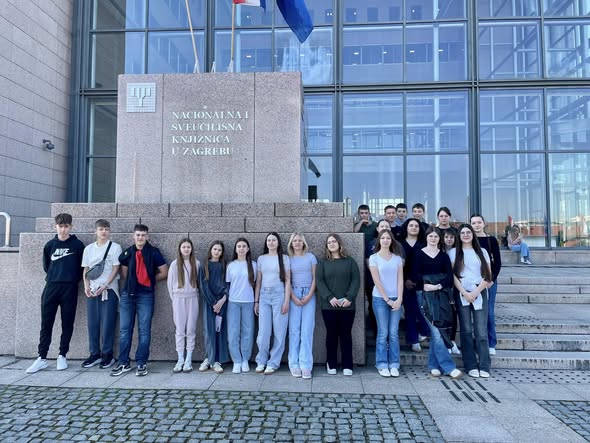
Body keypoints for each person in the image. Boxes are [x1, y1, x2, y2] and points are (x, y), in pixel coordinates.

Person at [26, 213, 85, 374]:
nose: (63, 229)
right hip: (51, 287)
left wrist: (71, 280)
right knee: (46, 324)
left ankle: (62, 355)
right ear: (55, 227)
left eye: (66, 226)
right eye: (60, 226)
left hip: (69, 288)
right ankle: (42, 358)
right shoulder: (50, 245)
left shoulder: (78, 245)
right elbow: (47, 266)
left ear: (71, 227)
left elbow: (82, 268)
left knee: (67, 323)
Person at [111, 224, 168, 377]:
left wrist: (148, 280)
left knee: (144, 330)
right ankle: (123, 362)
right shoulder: (127, 253)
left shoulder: (154, 252)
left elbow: (164, 272)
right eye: (138, 235)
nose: (140, 238)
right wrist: (134, 281)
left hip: (145, 295)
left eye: (143, 235)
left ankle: (141, 363)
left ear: (147, 236)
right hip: (127, 295)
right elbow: (124, 274)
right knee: (124, 330)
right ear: (133, 236)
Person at [412, 226, 462, 379]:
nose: (433, 239)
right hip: (424, 295)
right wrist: (424, 284)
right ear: (426, 237)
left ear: (439, 239)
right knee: (436, 330)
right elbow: (414, 274)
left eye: (436, 236)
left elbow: (449, 277)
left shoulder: (443, 256)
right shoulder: (419, 254)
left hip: (440, 296)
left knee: (437, 331)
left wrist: (438, 285)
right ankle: (449, 367)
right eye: (430, 236)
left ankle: (433, 365)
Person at [449, 224, 492, 378]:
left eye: (468, 232)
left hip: (479, 290)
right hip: (462, 292)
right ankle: (470, 365)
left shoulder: (482, 252)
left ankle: (484, 365)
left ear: (473, 234)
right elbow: (452, 275)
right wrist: (464, 292)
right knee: (466, 330)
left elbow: (488, 275)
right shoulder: (453, 252)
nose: (466, 235)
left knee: (481, 331)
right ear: (459, 236)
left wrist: (475, 292)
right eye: (463, 233)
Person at [316, 234, 360, 376]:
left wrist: (349, 297)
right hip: (329, 305)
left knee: (346, 334)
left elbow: (356, 280)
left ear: (339, 244)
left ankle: (348, 365)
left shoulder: (350, 261)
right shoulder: (323, 263)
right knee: (332, 334)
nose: (332, 244)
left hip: (347, 305)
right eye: (329, 242)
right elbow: (319, 282)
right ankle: (331, 363)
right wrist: (329, 297)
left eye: (334, 241)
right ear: (326, 246)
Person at [80, 219, 122, 370]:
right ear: (95, 231)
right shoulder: (89, 249)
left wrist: (106, 285)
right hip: (92, 289)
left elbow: (116, 268)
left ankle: (107, 354)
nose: (104, 232)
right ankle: (94, 354)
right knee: (93, 323)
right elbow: (86, 269)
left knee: (108, 323)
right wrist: (86, 286)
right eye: (101, 229)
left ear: (109, 231)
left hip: (109, 290)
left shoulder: (115, 247)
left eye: (106, 229)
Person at [369, 229, 404, 377]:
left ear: (391, 241)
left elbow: (400, 280)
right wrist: (387, 299)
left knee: (394, 333)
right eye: (383, 238)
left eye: (388, 238)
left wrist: (400, 298)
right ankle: (382, 363)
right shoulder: (374, 258)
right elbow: (376, 281)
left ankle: (394, 364)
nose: (385, 240)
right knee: (383, 332)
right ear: (379, 240)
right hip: (380, 299)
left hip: (396, 299)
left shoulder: (397, 259)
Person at [254, 232, 291, 375]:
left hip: (279, 296)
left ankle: (273, 362)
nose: (271, 242)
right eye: (268, 240)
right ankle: (261, 360)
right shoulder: (261, 259)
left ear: (278, 242)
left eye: (273, 240)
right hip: (264, 296)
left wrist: (286, 300)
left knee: (279, 332)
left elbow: (288, 280)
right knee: (263, 332)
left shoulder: (284, 258)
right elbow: (258, 281)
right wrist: (256, 301)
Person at [287, 232, 317, 379]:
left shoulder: (311, 257)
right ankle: (293, 364)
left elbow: (315, 278)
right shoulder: (288, 259)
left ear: (303, 243)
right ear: (291, 243)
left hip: (309, 294)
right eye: (295, 241)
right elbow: (287, 280)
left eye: (299, 240)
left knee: (307, 330)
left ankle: (305, 365)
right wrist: (293, 296)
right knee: (294, 330)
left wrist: (310, 295)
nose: (297, 243)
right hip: (293, 293)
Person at [167, 238, 200, 373]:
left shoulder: (196, 263)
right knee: (180, 330)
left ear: (191, 249)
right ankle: (180, 358)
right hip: (178, 299)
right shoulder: (175, 264)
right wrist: (175, 299)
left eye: (188, 247)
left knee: (191, 329)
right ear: (180, 249)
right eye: (184, 247)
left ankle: (188, 359)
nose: (186, 249)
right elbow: (170, 285)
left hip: (193, 298)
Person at [470, 214, 502, 356]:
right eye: (473, 223)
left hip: (488, 281)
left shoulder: (491, 240)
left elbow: (497, 262)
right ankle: (477, 341)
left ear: (484, 223)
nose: (476, 225)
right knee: (474, 312)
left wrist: (491, 279)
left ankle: (491, 342)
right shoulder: (468, 239)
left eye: (479, 222)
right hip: (472, 280)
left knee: (488, 312)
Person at [399, 218, 430, 352]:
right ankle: (414, 341)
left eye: (416, 226)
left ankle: (424, 331)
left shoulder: (424, 244)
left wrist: (418, 280)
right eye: (411, 225)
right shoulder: (399, 244)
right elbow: (398, 264)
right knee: (409, 311)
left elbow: (426, 264)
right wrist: (406, 279)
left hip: (421, 283)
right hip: (404, 282)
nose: (413, 227)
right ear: (406, 228)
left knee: (420, 310)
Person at [198, 240, 230, 374]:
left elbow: (227, 284)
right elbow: (203, 285)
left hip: (222, 303)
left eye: (219, 250)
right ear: (211, 250)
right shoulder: (204, 266)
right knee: (209, 331)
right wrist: (213, 303)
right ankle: (208, 358)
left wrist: (222, 301)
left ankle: (216, 360)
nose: (217, 252)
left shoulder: (224, 266)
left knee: (219, 331)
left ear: (222, 252)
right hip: (209, 303)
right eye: (215, 249)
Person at [225, 238, 256, 374]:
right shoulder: (231, 266)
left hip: (248, 302)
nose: (241, 249)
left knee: (247, 332)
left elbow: (256, 283)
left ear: (248, 249)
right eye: (239, 246)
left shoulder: (254, 265)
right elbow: (228, 283)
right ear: (236, 249)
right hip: (233, 302)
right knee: (233, 332)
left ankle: (245, 360)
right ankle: (236, 360)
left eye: (244, 246)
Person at [443, 229, 461, 355]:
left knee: (454, 314)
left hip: (456, 286)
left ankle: (453, 341)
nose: (449, 239)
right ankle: (446, 342)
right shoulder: (439, 251)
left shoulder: (458, 252)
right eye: (446, 237)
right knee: (445, 315)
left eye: (451, 237)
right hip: (442, 287)